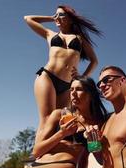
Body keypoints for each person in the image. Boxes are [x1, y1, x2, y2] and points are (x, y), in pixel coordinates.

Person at [0, 77, 107, 168]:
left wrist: (93, 140)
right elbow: (37, 151)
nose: (73, 93)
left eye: (79, 89)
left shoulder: (99, 123)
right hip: (38, 165)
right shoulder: (59, 115)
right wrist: (62, 133)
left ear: (90, 94)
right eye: (71, 89)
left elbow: (99, 158)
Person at [24, 5, 101, 139]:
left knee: (61, 119)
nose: (57, 17)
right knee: (47, 118)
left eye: (61, 15)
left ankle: (54, 150)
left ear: (70, 19)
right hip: (48, 77)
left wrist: (82, 77)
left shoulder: (80, 38)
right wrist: (51, 18)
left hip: (68, 85)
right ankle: (38, 154)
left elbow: (94, 61)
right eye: (56, 15)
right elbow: (28, 18)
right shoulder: (50, 34)